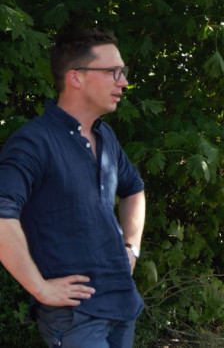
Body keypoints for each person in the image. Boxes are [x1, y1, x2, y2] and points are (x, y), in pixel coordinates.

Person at [0, 28, 146, 348]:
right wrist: (39, 287)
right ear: (75, 78)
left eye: (123, 72)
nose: (123, 82)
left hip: (121, 302)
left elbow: (134, 189)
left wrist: (131, 248)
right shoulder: (33, 143)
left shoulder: (105, 137)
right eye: (112, 72)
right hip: (75, 316)